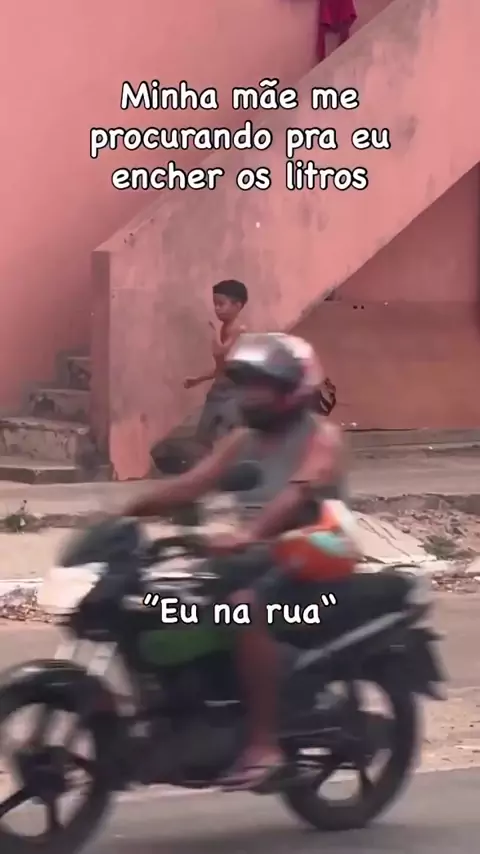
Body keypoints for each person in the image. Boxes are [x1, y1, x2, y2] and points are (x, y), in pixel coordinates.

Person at [125, 333, 360, 790]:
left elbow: (296, 494)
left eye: (261, 386)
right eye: (246, 385)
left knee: (243, 608)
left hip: (313, 559)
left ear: (292, 390)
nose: (249, 395)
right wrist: (125, 514)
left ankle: (264, 744)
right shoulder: (244, 440)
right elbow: (192, 484)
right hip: (258, 556)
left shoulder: (322, 438)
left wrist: (250, 533)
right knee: (164, 599)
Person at [184, 279, 248, 447]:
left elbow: (220, 352)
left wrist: (213, 333)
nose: (217, 309)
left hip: (232, 391)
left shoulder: (237, 329)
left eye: (221, 304)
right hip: (221, 388)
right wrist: (197, 379)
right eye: (215, 304)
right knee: (206, 434)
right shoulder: (226, 328)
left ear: (237, 305)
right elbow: (221, 367)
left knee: (224, 436)